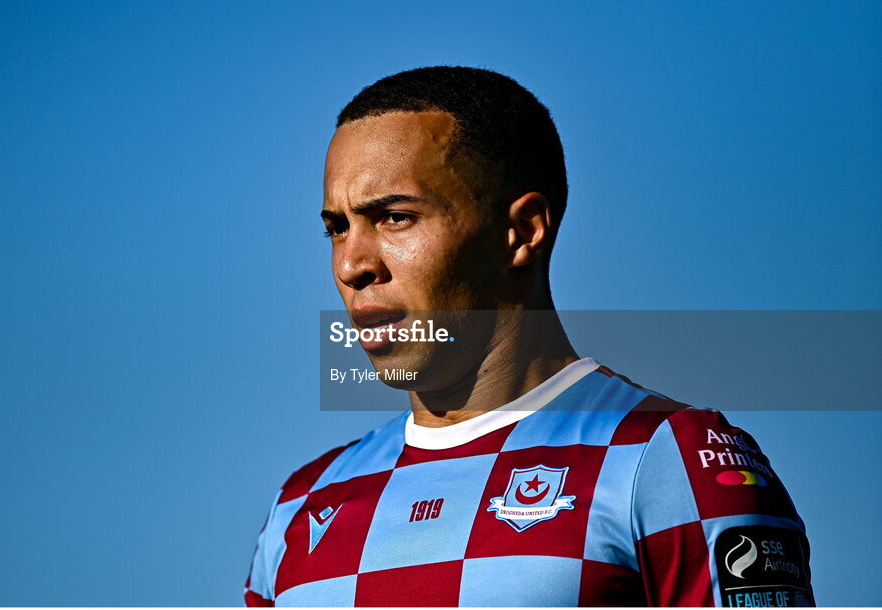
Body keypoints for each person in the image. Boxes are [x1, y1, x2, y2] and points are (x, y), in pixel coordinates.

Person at [244, 66, 814, 607]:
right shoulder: (303, 502)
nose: (351, 265)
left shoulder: (673, 460)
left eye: (394, 217)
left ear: (521, 232)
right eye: (337, 228)